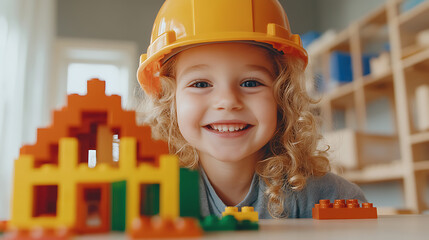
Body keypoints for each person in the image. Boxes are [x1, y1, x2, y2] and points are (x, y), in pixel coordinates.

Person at [135, 0, 367, 219]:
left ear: (282, 96)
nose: (227, 101)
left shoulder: (325, 196)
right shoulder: (145, 196)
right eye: (201, 84)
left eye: (251, 83)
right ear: (169, 101)